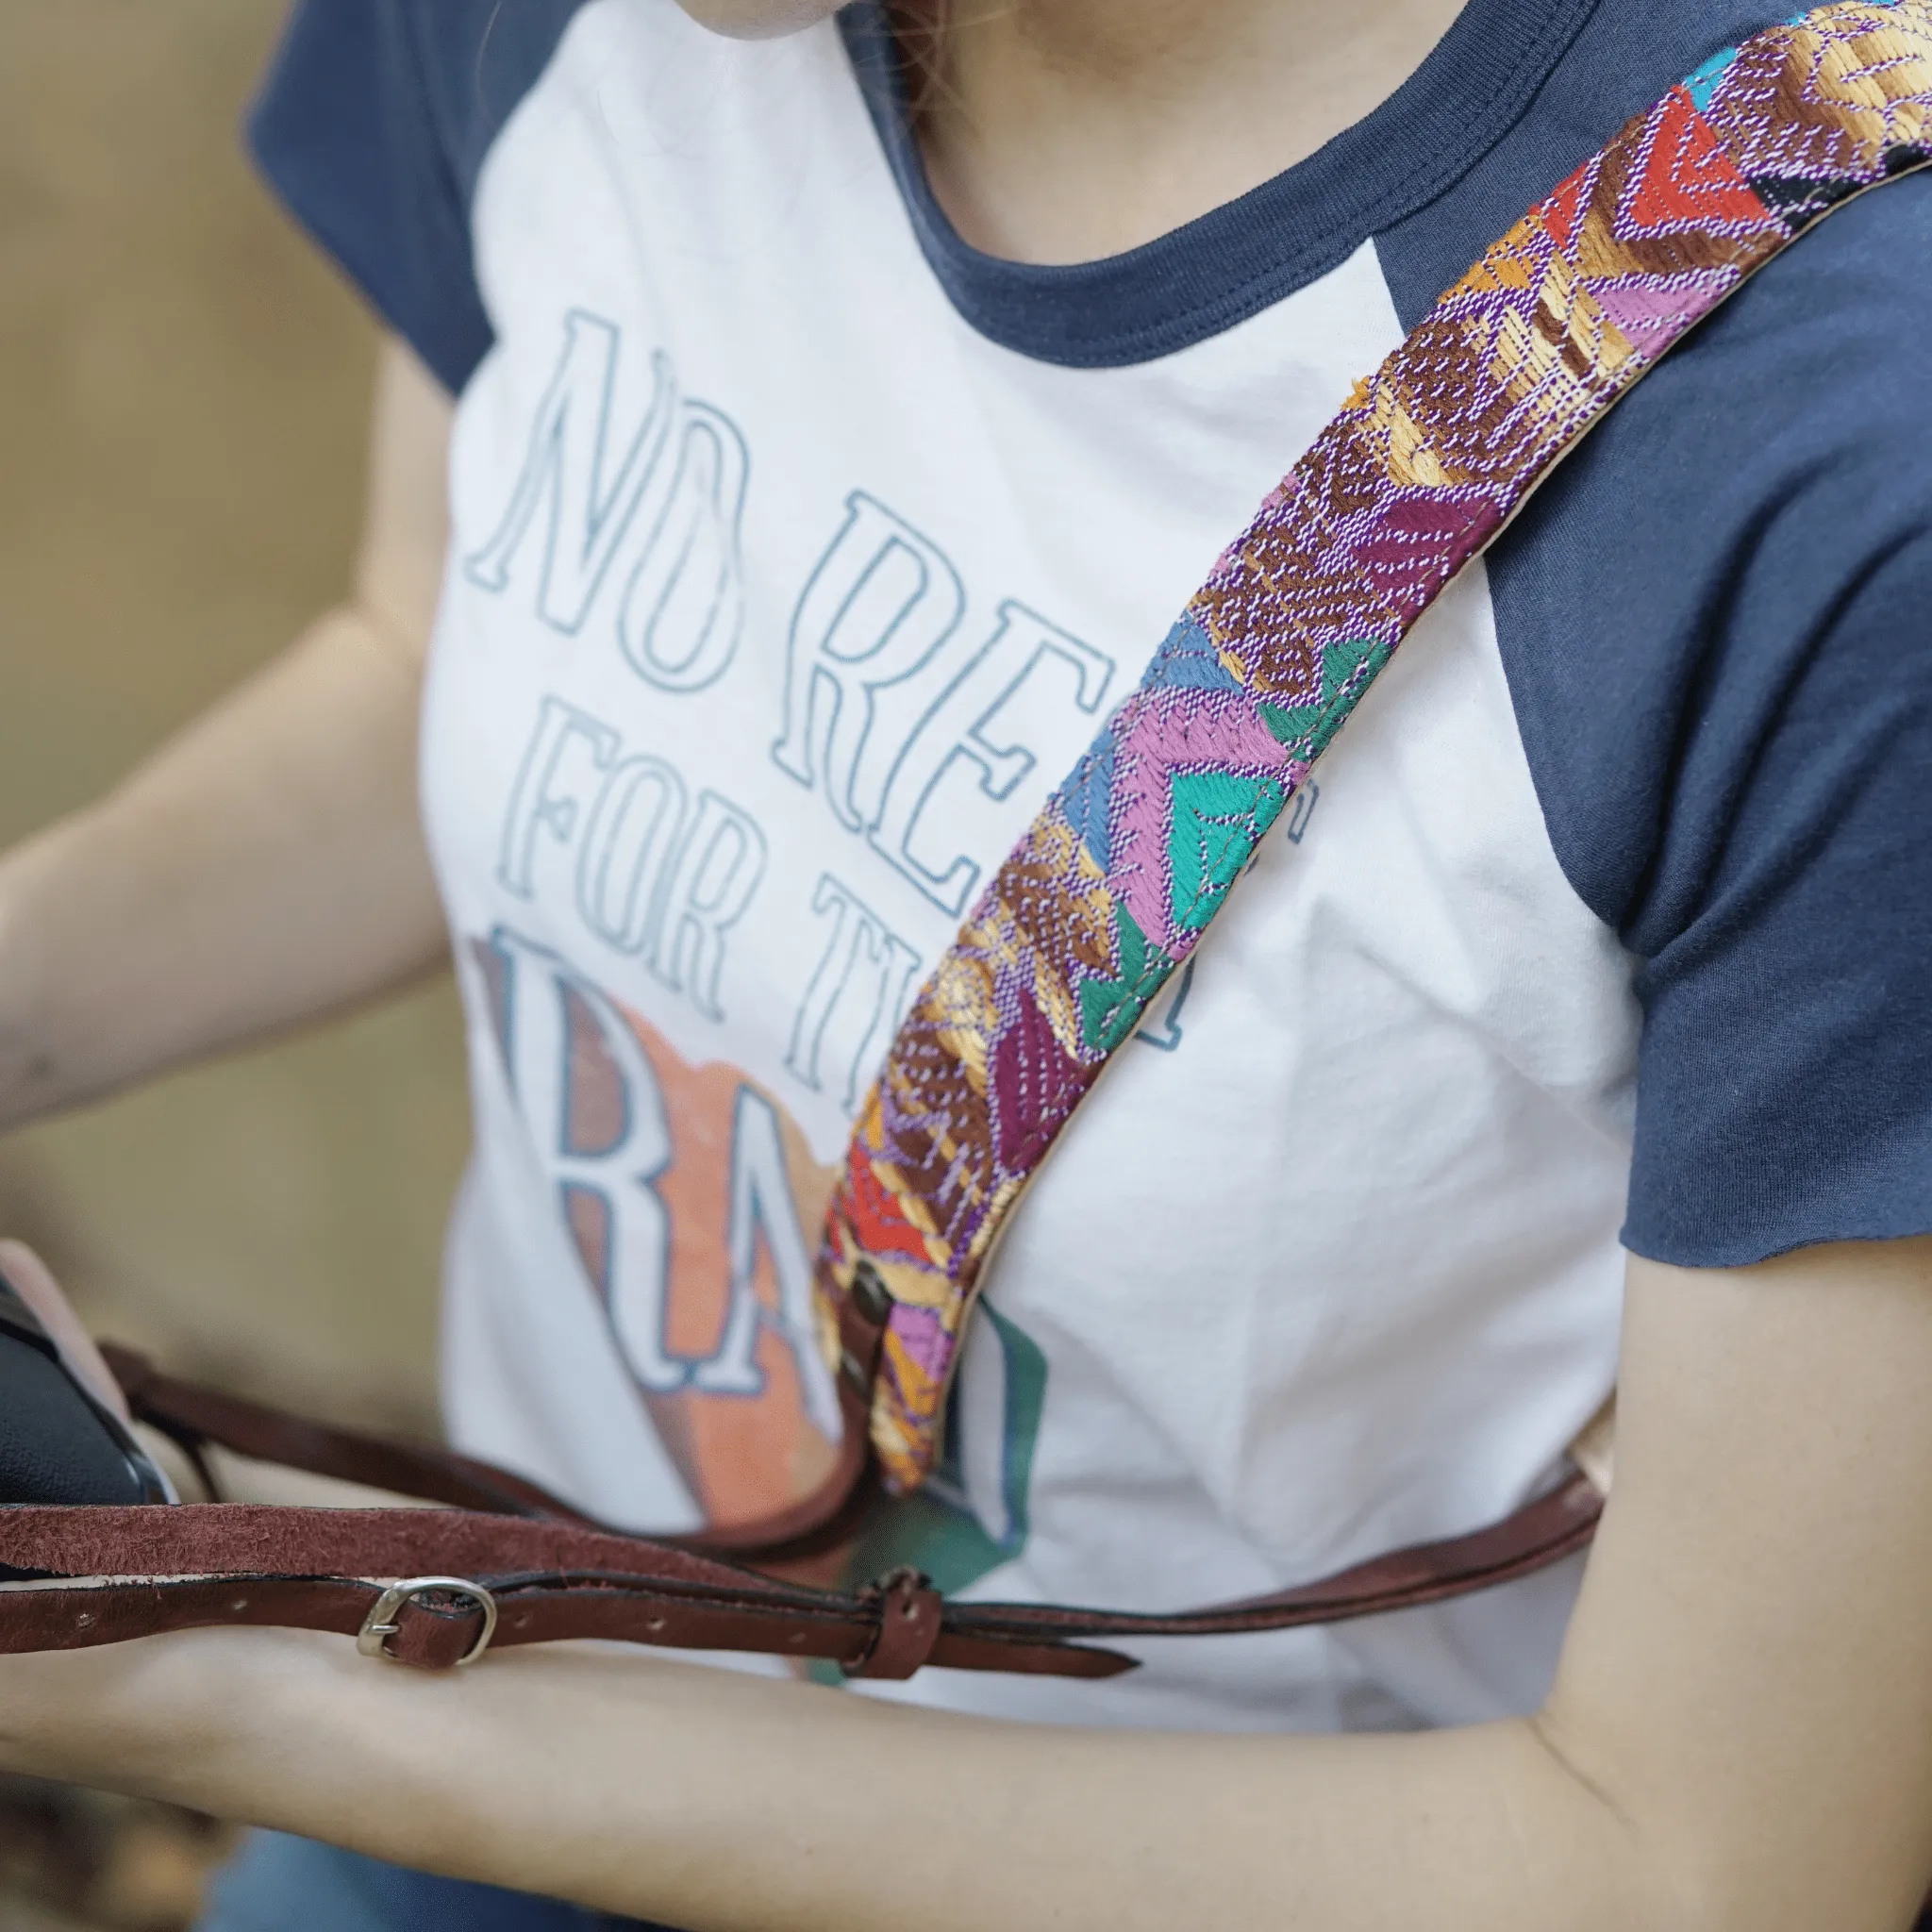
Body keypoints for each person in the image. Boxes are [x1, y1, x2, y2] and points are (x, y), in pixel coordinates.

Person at [0, 0, 1929, 1924]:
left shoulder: (1833, 459)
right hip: (479, 1675)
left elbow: (1694, 1859)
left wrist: (223, 1683)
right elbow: (436, 646)